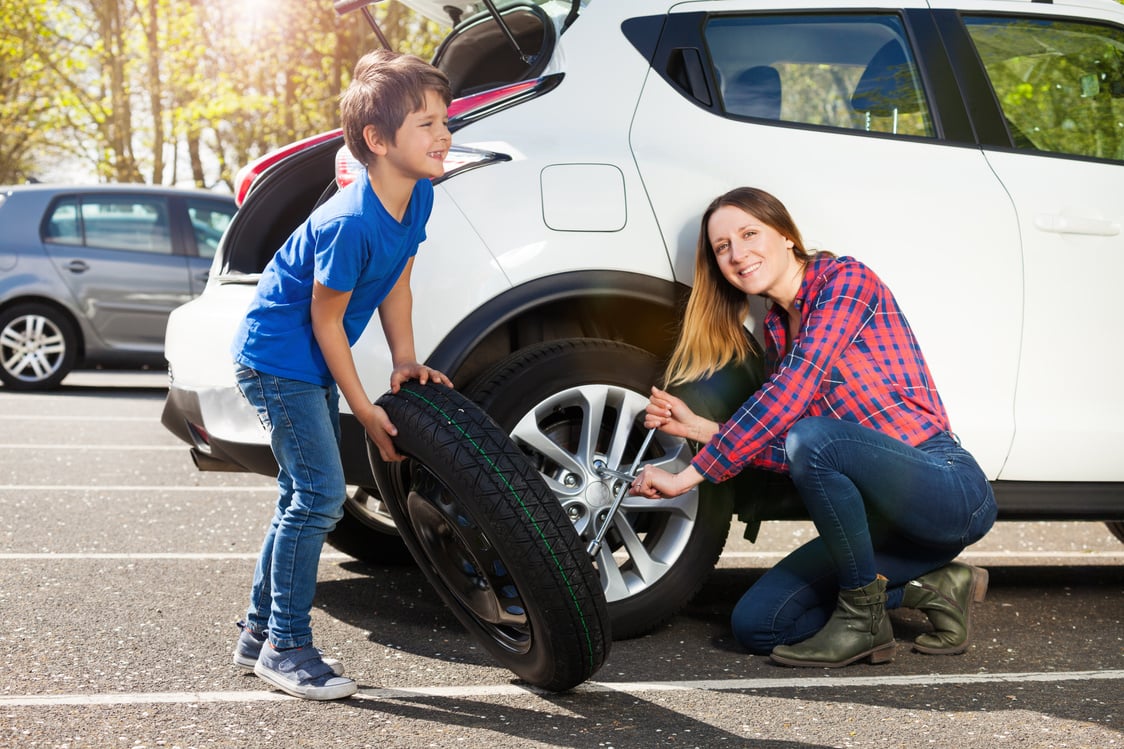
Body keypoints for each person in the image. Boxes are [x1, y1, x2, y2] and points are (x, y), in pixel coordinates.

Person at [630, 187, 997, 668]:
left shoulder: (846, 280)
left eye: (748, 234)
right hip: (880, 527)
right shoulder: (778, 334)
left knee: (812, 434)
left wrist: (686, 476)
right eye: (723, 247)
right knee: (759, 624)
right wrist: (699, 426)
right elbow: (797, 455)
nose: (738, 255)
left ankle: (864, 623)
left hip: (946, 488)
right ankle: (933, 587)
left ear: (785, 236)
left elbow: (799, 399)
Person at [228, 50, 453, 700]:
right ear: (378, 141)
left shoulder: (419, 197)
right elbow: (327, 324)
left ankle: (257, 631)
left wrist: (406, 358)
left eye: (445, 120)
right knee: (321, 494)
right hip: (277, 358)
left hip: (300, 358)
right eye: (425, 124)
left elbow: (399, 280)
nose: (443, 135)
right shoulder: (350, 222)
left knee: (301, 492)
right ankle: (286, 646)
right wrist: (366, 407)